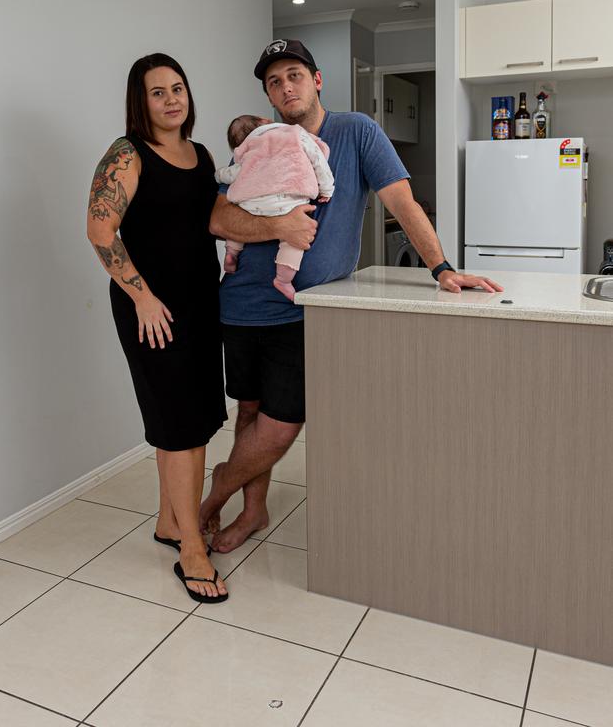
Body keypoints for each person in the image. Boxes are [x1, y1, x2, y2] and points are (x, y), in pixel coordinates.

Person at [200, 38, 502, 553]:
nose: (285, 86)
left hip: (303, 309)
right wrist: (278, 226)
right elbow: (219, 217)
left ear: (317, 80)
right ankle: (253, 511)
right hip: (241, 304)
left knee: (281, 425)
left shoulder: (355, 131)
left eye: (294, 74)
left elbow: (400, 200)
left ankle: (212, 495)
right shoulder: (263, 140)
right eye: (274, 81)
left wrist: (442, 267)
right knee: (247, 415)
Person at [87, 53, 228, 602]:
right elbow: (101, 230)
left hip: (199, 305)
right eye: (157, 92)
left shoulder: (200, 153)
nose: (172, 99)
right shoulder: (127, 154)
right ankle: (191, 548)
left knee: (192, 420)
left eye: (178, 88)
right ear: (139, 101)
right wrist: (142, 297)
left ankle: (171, 521)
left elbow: (209, 221)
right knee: (180, 429)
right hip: (152, 311)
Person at [216, 114, 335, 300]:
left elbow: (233, 174)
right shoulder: (294, 133)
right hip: (288, 202)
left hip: (254, 204)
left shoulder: (249, 149)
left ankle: (231, 252)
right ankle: (283, 279)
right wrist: (326, 188)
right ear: (265, 121)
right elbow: (317, 160)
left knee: (240, 213)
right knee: (293, 240)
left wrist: (218, 175)